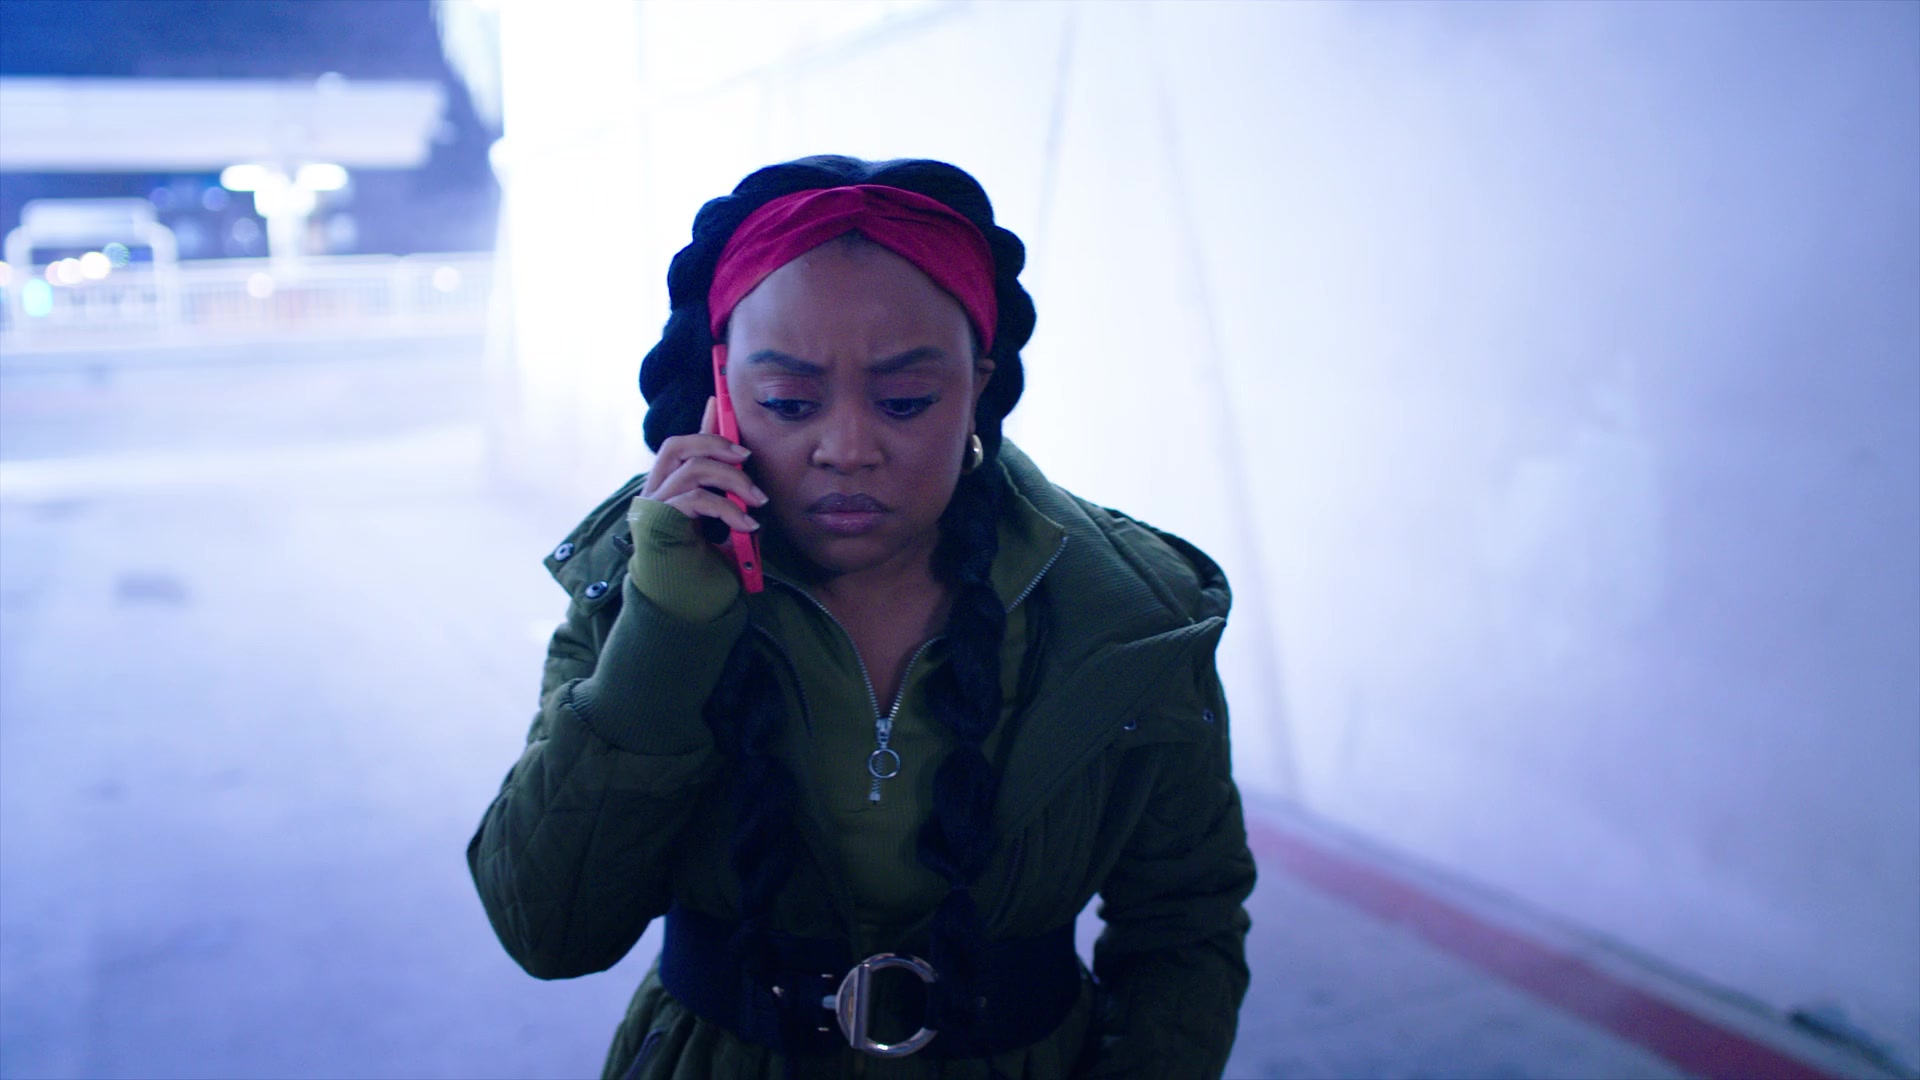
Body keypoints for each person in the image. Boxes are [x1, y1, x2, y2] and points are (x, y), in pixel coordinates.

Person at [467, 155, 1256, 1079]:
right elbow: (548, 929)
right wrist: (666, 632)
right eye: (788, 403)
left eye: (906, 401)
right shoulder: (633, 581)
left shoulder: (1131, 610)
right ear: (720, 389)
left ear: (979, 386)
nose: (847, 448)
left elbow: (1185, 923)